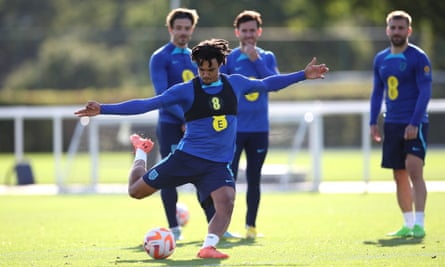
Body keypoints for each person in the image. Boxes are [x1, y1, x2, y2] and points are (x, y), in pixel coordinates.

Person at [75, 38, 329, 259]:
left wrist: (303, 75)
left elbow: (269, 84)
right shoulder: (186, 90)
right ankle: (141, 151)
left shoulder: (236, 84)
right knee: (135, 191)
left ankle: (208, 246)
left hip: (216, 165)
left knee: (227, 200)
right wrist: (104, 109)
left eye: (211, 68)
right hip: (185, 159)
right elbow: (147, 104)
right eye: (201, 68)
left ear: (221, 65)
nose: (205, 73)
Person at [149, 7, 210, 241]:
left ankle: (214, 227)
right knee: (169, 175)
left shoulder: (197, 57)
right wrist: (185, 118)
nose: (183, 33)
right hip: (170, 124)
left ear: (192, 29)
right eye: (179, 28)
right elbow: (163, 96)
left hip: (196, 125)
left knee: (203, 173)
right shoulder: (160, 57)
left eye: (187, 28)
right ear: (170, 28)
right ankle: (174, 229)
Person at [369, 10, 432, 238]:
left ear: (409, 31)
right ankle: (407, 223)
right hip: (392, 123)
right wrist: (372, 122)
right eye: (393, 28)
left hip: (414, 122)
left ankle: (420, 224)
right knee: (399, 174)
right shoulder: (381, 59)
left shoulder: (418, 57)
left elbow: (425, 92)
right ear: (388, 30)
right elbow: (377, 93)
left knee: (415, 169)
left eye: (401, 28)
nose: (397, 32)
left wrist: (415, 122)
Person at [220, 10, 278, 239]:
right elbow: (221, 88)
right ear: (237, 33)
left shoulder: (268, 57)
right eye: (244, 31)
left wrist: (257, 60)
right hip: (233, 131)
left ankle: (251, 227)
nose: (249, 35)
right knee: (228, 179)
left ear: (259, 32)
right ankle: (223, 227)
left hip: (259, 130)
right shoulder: (230, 58)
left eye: (252, 30)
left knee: (254, 178)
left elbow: (273, 84)